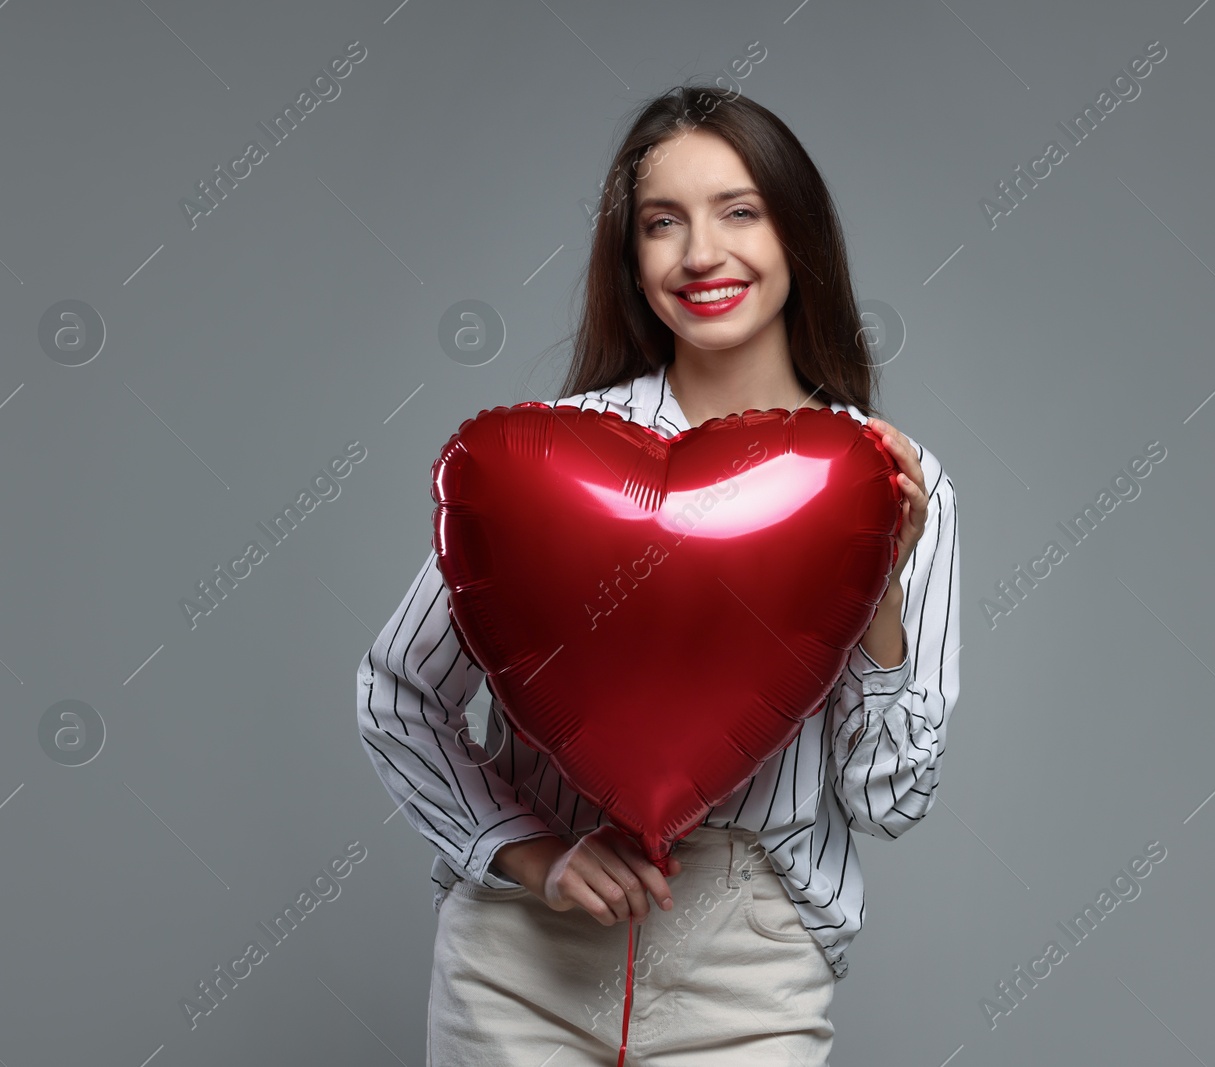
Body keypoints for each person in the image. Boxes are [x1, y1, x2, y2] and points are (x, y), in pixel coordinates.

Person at [356, 83, 958, 1066]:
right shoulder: (539, 467)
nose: (700, 254)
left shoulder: (894, 475)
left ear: (795, 234)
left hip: (749, 963)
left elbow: (890, 800)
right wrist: (528, 851)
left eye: (738, 211)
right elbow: (398, 689)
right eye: (660, 223)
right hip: (519, 960)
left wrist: (881, 584)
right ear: (630, 260)